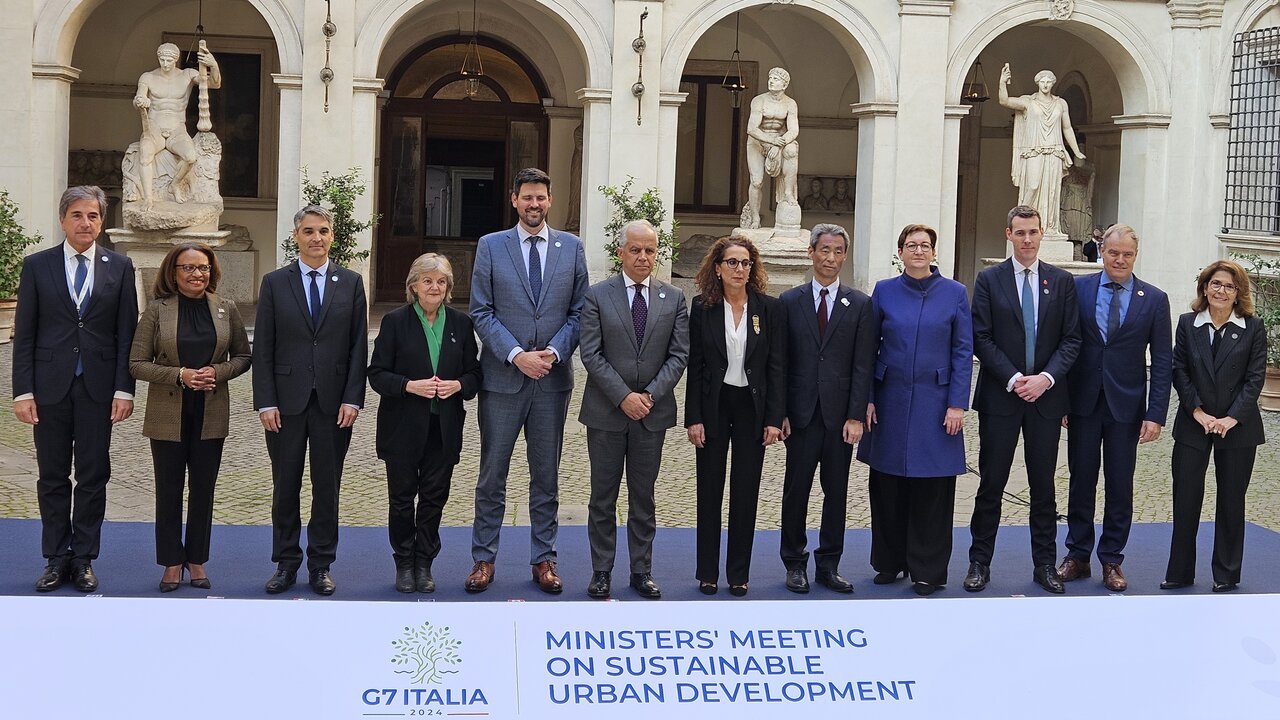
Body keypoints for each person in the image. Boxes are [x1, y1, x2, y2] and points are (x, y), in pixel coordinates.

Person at [467, 167, 589, 594]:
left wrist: (552, 353)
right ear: (514, 200)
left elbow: (580, 313)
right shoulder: (491, 246)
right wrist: (517, 355)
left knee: (546, 477)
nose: (534, 205)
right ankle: (484, 559)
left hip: (552, 382)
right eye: (527, 198)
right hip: (502, 379)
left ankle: (545, 559)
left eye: (541, 198)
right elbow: (480, 310)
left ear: (549, 201)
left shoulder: (571, 248)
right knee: (491, 475)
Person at [14, 185, 138, 593]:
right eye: (79, 215)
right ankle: (55, 558)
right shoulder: (37, 265)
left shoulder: (120, 266)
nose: (87, 223)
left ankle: (83, 557)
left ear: (103, 222)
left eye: (94, 216)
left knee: (92, 474)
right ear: (63, 220)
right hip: (49, 388)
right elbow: (26, 334)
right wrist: (22, 391)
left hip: (98, 389)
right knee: (52, 475)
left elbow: (126, 335)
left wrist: (125, 389)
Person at [253, 204, 368, 596]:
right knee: (285, 485)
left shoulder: (350, 283)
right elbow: (263, 346)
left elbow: (357, 346)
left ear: (332, 236)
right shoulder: (274, 282)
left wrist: (354, 398)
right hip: (285, 404)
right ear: (296, 236)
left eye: (322, 231)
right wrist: (265, 402)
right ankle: (285, 563)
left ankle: (321, 564)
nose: (316, 238)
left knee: (326, 486)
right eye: (308, 231)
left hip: (334, 405)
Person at [965, 205, 1081, 594]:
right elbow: (981, 336)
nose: (1027, 239)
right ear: (1008, 234)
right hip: (1002, 397)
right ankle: (979, 562)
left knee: (1043, 486)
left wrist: (1045, 379)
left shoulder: (1061, 281)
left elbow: (1072, 339)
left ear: (1041, 233)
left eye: (1033, 232)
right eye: (1020, 232)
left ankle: (1044, 564)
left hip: (1046, 399)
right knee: (991, 484)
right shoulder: (988, 280)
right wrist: (1015, 379)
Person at [128, 242, 251, 592]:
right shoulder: (156, 310)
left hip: (211, 412)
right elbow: (136, 364)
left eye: (204, 268)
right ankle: (170, 562)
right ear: (174, 272)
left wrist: (219, 371)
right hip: (168, 413)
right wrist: (179, 375)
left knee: (203, 490)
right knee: (168, 490)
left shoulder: (225, 308)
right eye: (189, 268)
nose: (198, 274)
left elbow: (243, 355)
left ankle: (196, 559)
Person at [858, 224, 973, 597]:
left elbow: (962, 351)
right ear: (901, 252)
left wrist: (957, 403)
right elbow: (868, 347)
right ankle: (890, 562)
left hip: (937, 403)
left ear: (934, 252)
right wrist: (868, 397)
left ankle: (928, 569)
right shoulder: (885, 291)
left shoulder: (955, 293)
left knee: (933, 488)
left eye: (925, 245)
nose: (919, 251)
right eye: (912, 245)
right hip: (889, 399)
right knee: (888, 484)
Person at [579, 220, 689, 600]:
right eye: (636, 250)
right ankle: (601, 571)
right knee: (602, 497)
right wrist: (624, 396)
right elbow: (590, 353)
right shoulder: (597, 296)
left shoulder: (673, 298)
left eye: (650, 251)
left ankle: (642, 570)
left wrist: (650, 396)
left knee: (644, 496)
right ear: (621, 252)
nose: (643, 257)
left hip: (651, 415)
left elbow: (679, 355)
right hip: (606, 413)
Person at [1058, 225, 1171, 592]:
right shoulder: (1078, 289)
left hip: (1128, 407)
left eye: (1127, 254)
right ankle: (1077, 554)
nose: (1120, 260)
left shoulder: (1153, 299)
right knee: (1081, 480)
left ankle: (1112, 560)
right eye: (1113, 253)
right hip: (1083, 404)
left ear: (1135, 256)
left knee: (1120, 485)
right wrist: (1061, 400)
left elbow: (1164, 361)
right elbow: (1064, 346)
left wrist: (1155, 414)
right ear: (1101, 252)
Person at [369, 253, 481, 594]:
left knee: (434, 498)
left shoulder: (461, 325)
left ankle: (424, 562)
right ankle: (404, 562)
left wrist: (458, 384)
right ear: (413, 285)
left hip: (443, 428)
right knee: (402, 499)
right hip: (402, 426)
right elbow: (376, 375)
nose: (434, 287)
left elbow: (475, 374)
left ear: (448, 288)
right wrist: (408, 385)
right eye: (428, 280)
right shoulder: (394, 321)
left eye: (441, 282)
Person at [686, 236, 786, 597]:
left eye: (745, 263)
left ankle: (738, 573)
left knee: (746, 490)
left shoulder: (768, 309)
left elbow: (777, 367)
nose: (739, 269)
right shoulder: (702, 307)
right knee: (709, 489)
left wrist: (775, 418)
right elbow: (694, 366)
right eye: (732, 262)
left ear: (752, 268)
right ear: (717, 267)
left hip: (752, 407)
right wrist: (693, 418)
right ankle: (707, 572)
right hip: (714, 405)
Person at [778, 223, 874, 594]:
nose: (830, 258)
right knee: (796, 490)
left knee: (836, 492)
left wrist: (855, 416)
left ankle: (829, 564)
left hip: (840, 419)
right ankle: (794, 562)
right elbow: (781, 362)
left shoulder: (860, 304)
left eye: (837, 252)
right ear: (811, 253)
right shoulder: (790, 301)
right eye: (824, 250)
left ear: (844, 256)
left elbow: (862, 364)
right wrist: (780, 412)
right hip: (800, 415)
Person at [1161, 260, 1267, 593]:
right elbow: (1180, 371)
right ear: (1205, 288)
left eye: (1229, 286)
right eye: (1215, 284)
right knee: (1186, 498)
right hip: (1194, 424)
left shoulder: (1253, 327)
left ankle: (1226, 574)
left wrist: (1231, 418)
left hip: (1239, 428)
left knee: (1232, 502)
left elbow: (1254, 379)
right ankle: (1179, 572)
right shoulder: (1187, 324)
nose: (1221, 291)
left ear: (1239, 294)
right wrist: (1198, 412)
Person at [999, 64, 1086, 236]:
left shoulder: (1061, 103)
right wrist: (1002, 83)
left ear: (1053, 83)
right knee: (1032, 186)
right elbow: (1005, 101)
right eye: (1042, 82)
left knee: (1052, 192)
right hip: (1034, 150)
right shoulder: (1028, 102)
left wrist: (1076, 151)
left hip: (1054, 151)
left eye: (1048, 82)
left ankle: (1049, 228)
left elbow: (1067, 128)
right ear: (1037, 83)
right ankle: (1021, 224)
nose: (1045, 85)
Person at [132, 43, 221, 209]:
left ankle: (175, 185)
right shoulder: (148, 77)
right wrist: (140, 101)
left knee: (191, 157)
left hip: (177, 129)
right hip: (154, 129)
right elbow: (138, 98)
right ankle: (148, 199)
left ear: (176, 59)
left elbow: (213, 84)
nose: (165, 63)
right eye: (162, 59)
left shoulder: (187, 75)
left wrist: (213, 65)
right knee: (145, 154)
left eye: (168, 60)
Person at [740, 68, 800, 229]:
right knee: (757, 181)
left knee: (792, 149)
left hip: (778, 141)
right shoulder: (759, 101)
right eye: (770, 78)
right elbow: (752, 128)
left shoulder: (790, 104)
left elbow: (794, 130)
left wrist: (780, 143)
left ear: (784, 84)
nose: (771, 81)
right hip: (757, 142)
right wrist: (772, 142)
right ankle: (755, 218)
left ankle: (788, 192)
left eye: (776, 79)